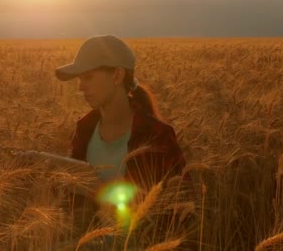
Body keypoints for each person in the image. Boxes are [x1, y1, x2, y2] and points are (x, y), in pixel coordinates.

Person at [55, 35, 196, 248]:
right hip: (90, 239)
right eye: (79, 79)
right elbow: (72, 202)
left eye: (88, 77)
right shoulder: (84, 128)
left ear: (117, 75)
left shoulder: (157, 135)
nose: (81, 87)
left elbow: (180, 205)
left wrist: (101, 190)